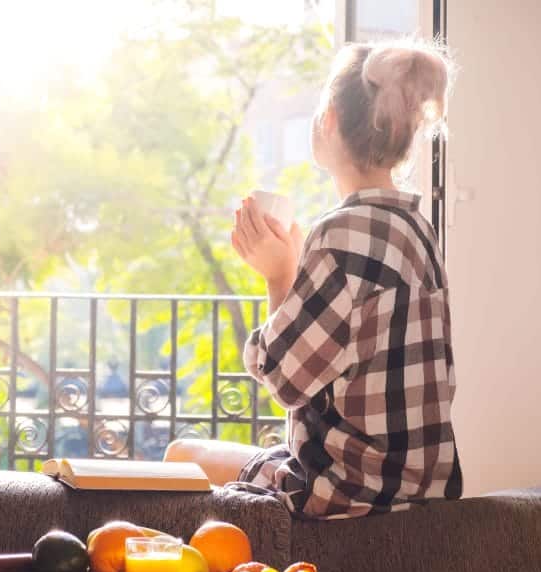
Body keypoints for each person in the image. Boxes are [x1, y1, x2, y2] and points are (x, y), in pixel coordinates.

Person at [164, 39, 462, 520]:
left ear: (330, 121)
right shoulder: (419, 231)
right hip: (423, 487)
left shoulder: (339, 234)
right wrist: (303, 268)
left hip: (346, 491)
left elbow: (284, 379)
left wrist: (279, 274)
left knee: (182, 455)